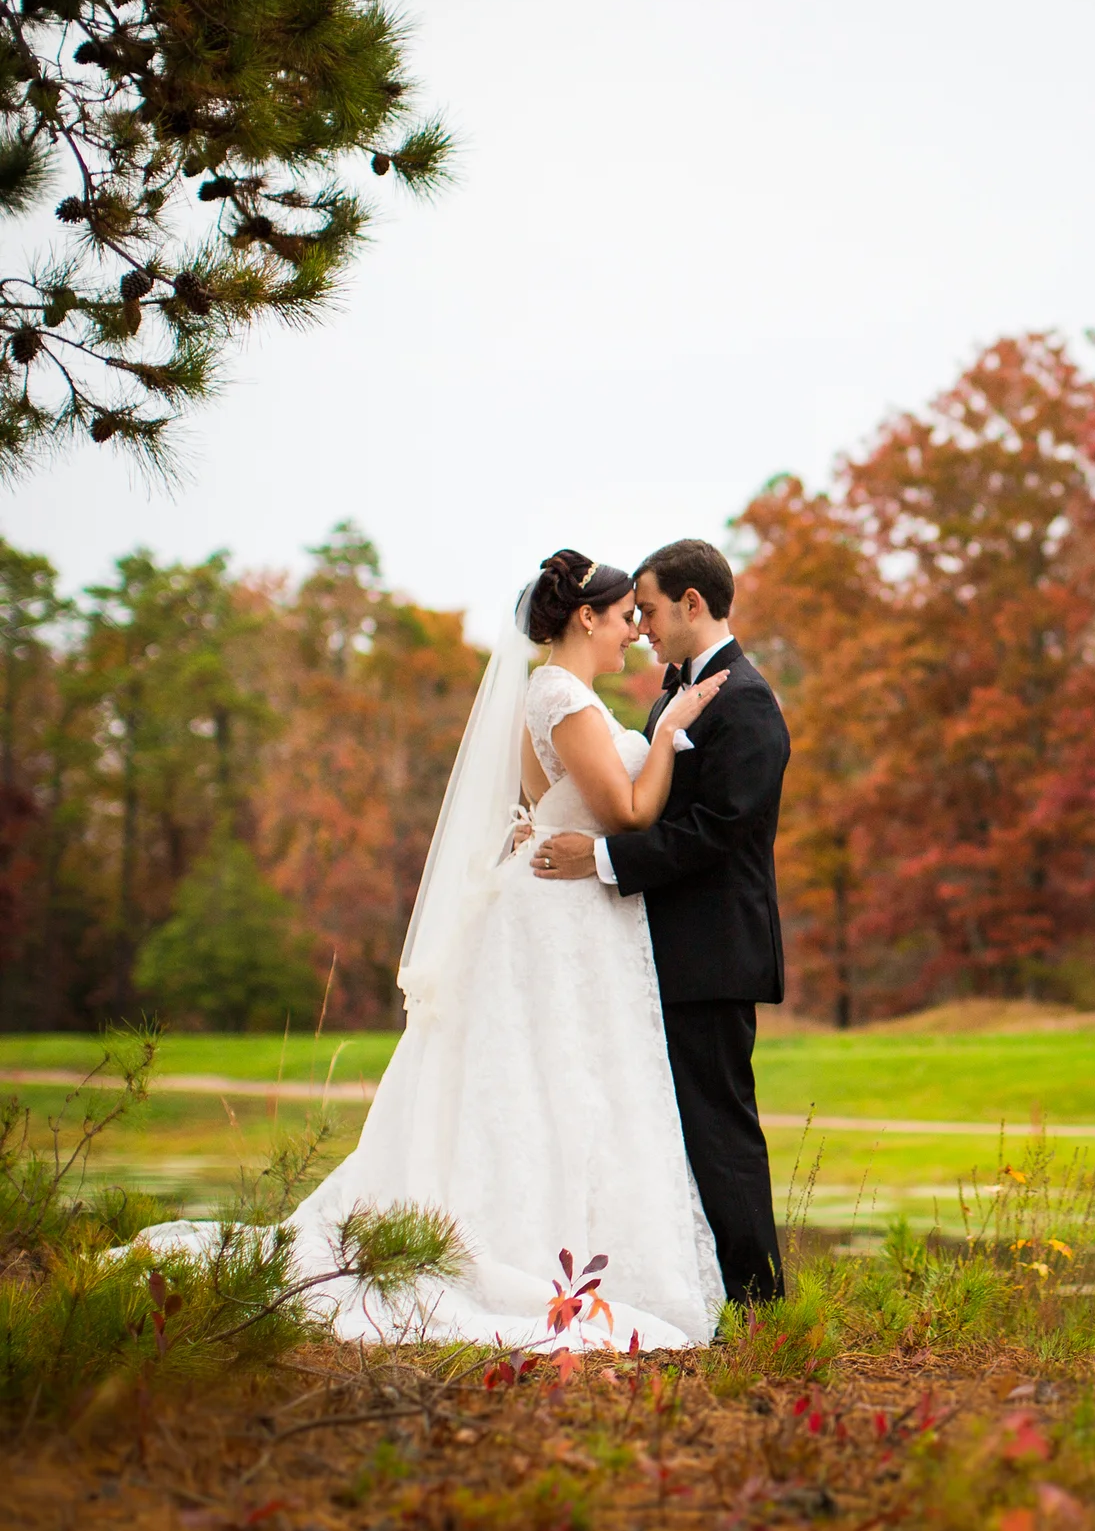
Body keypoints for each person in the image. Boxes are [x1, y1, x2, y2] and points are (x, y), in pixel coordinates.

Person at [129, 551, 731, 1348]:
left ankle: (562, 1239)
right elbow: (623, 813)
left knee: (554, 1078)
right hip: (562, 915)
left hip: (565, 910)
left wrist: (545, 825)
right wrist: (670, 735)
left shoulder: (545, 694)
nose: (632, 633)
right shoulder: (564, 696)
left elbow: (543, 805)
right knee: (561, 1078)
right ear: (588, 616)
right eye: (625, 617)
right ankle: (537, 1247)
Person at [530, 539, 791, 1306]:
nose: (638, 624)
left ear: (692, 603)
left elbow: (720, 828)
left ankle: (758, 1300)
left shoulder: (744, 698)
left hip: (714, 950)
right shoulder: (676, 693)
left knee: (719, 1127)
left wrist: (603, 860)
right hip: (665, 946)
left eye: (645, 608)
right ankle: (703, 1289)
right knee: (676, 1129)